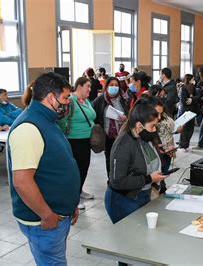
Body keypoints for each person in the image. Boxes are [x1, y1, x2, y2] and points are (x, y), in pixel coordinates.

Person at [8, 72, 80, 265]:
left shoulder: (47, 121)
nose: (67, 103)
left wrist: (70, 203)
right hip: (44, 220)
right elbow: (22, 181)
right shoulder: (29, 128)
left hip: (58, 212)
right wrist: (47, 215)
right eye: (65, 98)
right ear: (50, 97)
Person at [105, 100, 167, 224]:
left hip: (142, 194)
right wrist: (149, 179)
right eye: (152, 126)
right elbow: (117, 181)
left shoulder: (144, 138)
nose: (155, 130)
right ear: (139, 125)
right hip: (124, 199)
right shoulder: (123, 144)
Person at [58, 77, 97, 209]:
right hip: (75, 140)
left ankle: (80, 190)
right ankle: (74, 197)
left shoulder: (86, 101)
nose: (90, 89)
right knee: (77, 170)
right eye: (87, 86)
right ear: (79, 86)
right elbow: (62, 121)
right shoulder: (70, 101)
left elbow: (92, 116)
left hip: (86, 140)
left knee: (84, 167)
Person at [92, 77, 130, 175]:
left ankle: (121, 177)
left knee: (123, 158)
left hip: (122, 135)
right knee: (109, 158)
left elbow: (130, 114)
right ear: (107, 86)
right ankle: (111, 179)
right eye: (111, 85)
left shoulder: (124, 99)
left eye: (116, 85)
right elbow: (94, 115)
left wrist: (126, 119)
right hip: (107, 136)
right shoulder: (100, 100)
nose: (114, 87)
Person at [178, 74, 200, 152]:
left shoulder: (193, 88)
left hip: (192, 111)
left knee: (190, 129)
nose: (193, 80)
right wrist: (192, 99)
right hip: (185, 111)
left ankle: (187, 144)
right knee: (184, 129)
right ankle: (182, 145)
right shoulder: (183, 88)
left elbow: (198, 96)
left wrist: (191, 99)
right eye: (192, 79)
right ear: (189, 79)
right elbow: (183, 101)